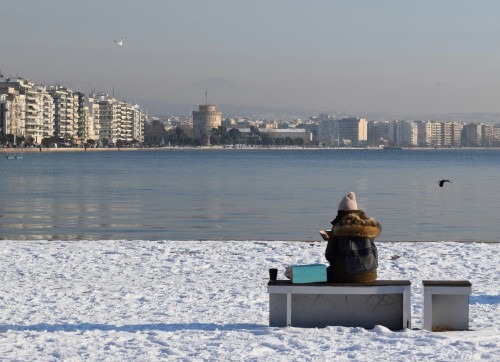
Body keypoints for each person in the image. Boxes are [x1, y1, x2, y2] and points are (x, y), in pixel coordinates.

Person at [325, 192, 381, 283]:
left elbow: (329, 255)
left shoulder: (338, 227)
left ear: (341, 211)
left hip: (347, 276)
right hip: (370, 275)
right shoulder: (368, 226)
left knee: (323, 274)